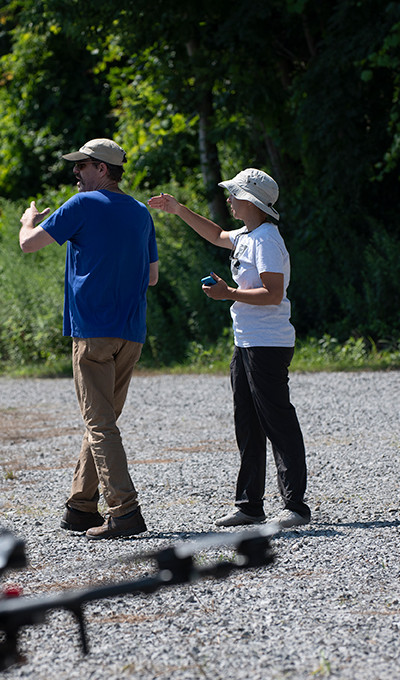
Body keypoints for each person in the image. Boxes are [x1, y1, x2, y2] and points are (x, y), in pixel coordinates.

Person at [148, 169, 311, 529]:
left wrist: (229, 294)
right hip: (247, 341)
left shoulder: (267, 239)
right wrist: (179, 209)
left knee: (277, 421)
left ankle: (296, 507)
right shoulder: (248, 235)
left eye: (234, 194)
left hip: (267, 343)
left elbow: (274, 294)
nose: (229, 199)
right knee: (248, 423)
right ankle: (250, 506)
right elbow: (217, 234)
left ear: (250, 201)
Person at [19, 138, 159, 540]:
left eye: (82, 165)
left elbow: (29, 245)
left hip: (92, 331)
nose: (75, 172)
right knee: (103, 420)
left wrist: (28, 219)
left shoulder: (81, 206)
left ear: (103, 169)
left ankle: (125, 511)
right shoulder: (140, 213)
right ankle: (81, 508)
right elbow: (150, 277)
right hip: (130, 332)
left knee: (99, 423)